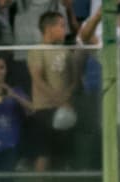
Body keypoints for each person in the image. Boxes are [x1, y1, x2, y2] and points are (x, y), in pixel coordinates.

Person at [27, 11, 77, 172]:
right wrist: (59, 100)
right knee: (43, 154)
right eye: (62, 26)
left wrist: (68, 97)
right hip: (44, 109)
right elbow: (37, 78)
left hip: (65, 109)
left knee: (63, 157)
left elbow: (74, 79)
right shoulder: (37, 50)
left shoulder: (66, 52)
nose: (65, 30)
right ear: (49, 28)